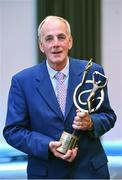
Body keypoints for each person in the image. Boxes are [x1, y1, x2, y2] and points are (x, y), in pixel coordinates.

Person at [3, 16, 116, 179]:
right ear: (42, 46)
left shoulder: (92, 72)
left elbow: (108, 116)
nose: (56, 43)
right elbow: (13, 131)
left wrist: (91, 123)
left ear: (70, 42)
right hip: (46, 173)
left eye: (61, 37)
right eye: (49, 39)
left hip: (90, 173)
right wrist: (47, 145)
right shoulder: (22, 81)